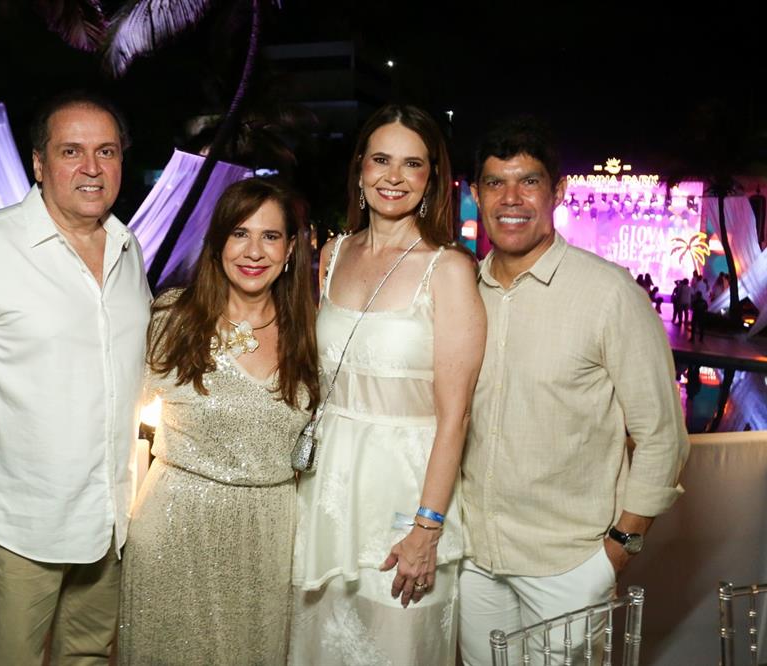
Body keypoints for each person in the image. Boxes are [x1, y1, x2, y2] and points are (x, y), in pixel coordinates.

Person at [0, 90, 150, 664]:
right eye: (71, 151)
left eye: (106, 151)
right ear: (39, 164)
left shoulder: (128, 246)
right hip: (20, 528)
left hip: (110, 522)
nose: (92, 167)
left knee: (89, 658)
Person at [458, 117, 689, 664]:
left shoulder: (608, 293)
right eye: (495, 182)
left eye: (529, 181)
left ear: (557, 191)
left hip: (569, 567)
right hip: (474, 560)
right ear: (476, 194)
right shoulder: (464, 290)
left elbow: (661, 436)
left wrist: (618, 550)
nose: (511, 198)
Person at [290, 104, 486, 665]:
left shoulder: (449, 269)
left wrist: (427, 528)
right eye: (381, 160)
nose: (394, 176)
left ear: (430, 179)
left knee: (396, 648)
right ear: (360, 168)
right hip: (326, 497)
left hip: (405, 498)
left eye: (412, 164)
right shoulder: (332, 255)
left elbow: (456, 417)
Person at [118, 177, 319, 664]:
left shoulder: (310, 333)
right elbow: (109, 414)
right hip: (176, 529)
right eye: (239, 233)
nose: (254, 251)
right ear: (217, 243)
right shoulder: (172, 320)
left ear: (291, 249)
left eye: (270, 236)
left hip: (270, 536)